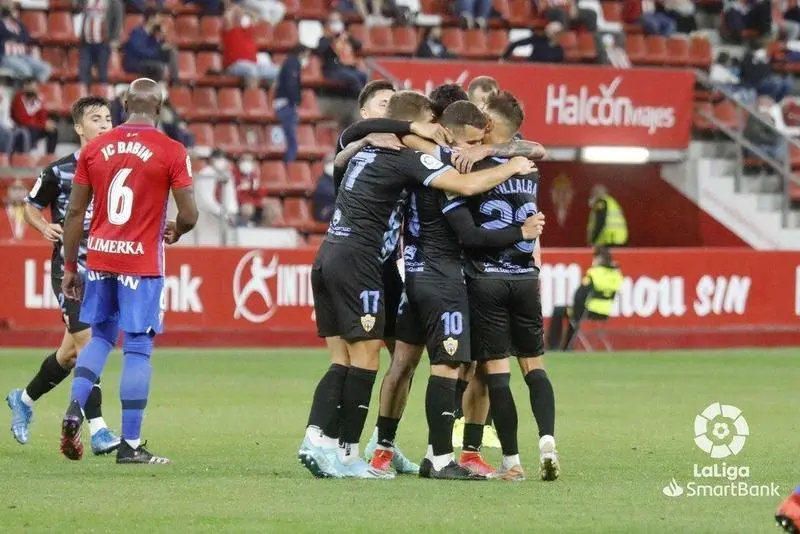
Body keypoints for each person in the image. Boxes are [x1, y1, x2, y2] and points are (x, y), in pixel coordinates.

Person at [299, 90, 536, 479]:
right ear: (417, 125)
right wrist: (511, 167)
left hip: (338, 254)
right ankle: (351, 453)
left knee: (351, 359)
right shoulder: (407, 158)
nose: (439, 134)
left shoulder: (361, 148)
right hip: (367, 262)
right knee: (373, 358)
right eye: (432, 125)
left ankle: (326, 441)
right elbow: (464, 187)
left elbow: (352, 140)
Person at [364, 99, 547, 480]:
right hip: (440, 274)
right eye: (473, 138)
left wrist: (492, 150)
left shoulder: (440, 150)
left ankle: (453, 451)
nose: (474, 148)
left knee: (461, 363)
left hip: (425, 271)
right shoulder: (436, 155)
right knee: (435, 364)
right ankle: (429, 454)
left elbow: (536, 148)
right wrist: (510, 171)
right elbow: (468, 198)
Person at [58, 78, 198, 464]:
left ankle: (74, 410)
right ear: (160, 106)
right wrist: (177, 230)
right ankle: (131, 447)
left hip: (100, 257)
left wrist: (71, 267)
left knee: (100, 338)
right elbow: (189, 214)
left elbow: (73, 213)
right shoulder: (171, 150)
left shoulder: (96, 148)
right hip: (142, 262)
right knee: (137, 347)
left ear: (123, 103)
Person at [442, 91, 559, 482]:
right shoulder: (527, 166)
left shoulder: (472, 166)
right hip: (526, 278)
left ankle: (511, 462)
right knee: (536, 367)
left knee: (496, 374)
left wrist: (475, 155)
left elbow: (469, 230)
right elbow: (531, 149)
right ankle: (547, 441)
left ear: (489, 126)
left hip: (487, 278)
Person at [5, 96, 120, 454]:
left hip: (106, 271)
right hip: (71, 272)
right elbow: (31, 208)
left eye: (108, 118)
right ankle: (99, 430)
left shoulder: (120, 170)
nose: (104, 124)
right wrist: (44, 227)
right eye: (96, 118)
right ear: (79, 127)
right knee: (88, 346)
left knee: (69, 355)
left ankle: (22, 398)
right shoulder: (58, 170)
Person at [546, 247, 623, 351]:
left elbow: (580, 295)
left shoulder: (594, 273)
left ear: (598, 259)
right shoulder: (616, 275)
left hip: (589, 311)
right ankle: (566, 347)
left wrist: (576, 311)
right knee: (574, 313)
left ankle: (554, 346)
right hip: (605, 313)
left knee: (561, 310)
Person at [222, 5, 279, 86]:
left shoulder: (248, 31)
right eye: (236, 16)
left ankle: (271, 96)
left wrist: (245, 11)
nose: (238, 17)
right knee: (251, 71)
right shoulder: (229, 31)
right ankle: (252, 97)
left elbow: (255, 18)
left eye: (240, 16)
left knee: (276, 70)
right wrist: (233, 9)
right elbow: (226, 19)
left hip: (252, 64)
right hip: (234, 65)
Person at [274, 45, 311, 163]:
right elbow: (291, 84)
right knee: (292, 142)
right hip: (286, 105)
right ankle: (288, 167)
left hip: (284, 104)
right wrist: (296, 100)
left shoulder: (289, 63)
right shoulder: (293, 64)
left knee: (291, 141)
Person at [317, 12, 367, 98]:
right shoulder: (325, 38)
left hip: (348, 67)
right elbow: (322, 51)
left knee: (362, 75)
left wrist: (348, 37)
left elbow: (358, 45)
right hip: (333, 69)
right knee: (353, 79)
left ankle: (362, 99)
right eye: (333, 22)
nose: (336, 24)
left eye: (338, 21)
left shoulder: (346, 37)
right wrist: (334, 41)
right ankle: (361, 100)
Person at [0, 0, 52, 82]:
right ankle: (22, 92)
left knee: (45, 68)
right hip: (5, 57)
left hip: (22, 55)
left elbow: (26, 38)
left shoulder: (18, 23)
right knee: (24, 70)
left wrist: (13, 38)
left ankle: (32, 90)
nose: (12, 9)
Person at [122, 11, 178, 82]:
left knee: (171, 51)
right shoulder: (137, 32)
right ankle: (151, 88)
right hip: (135, 62)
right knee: (159, 67)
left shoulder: (154, 34)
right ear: (151, 19)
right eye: (157, 19)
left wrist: (160, 41)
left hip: (148, 60)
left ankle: (174, 82)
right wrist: (158, 50)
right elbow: (139, 52)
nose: (158, 22)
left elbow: (154, 51)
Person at [77, 0, 123, 86]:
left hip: (104, 44)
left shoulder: (114, 2)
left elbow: (118, 20)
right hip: (86, 43)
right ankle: (84, 97)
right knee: (83, 72)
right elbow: (76, 8)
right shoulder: (86, 1)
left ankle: (102, 97)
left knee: (102, 74)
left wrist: (115, 38)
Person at [11, 78, 57, 155]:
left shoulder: (39, 99)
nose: (33, 89)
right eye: (30, 86)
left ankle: (49, 156)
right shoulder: (18, 98)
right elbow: (22, 120)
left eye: (34, 87)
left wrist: (46, 123)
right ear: (24, 87)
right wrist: (42, 124)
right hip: (22, 127)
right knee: (30, 131)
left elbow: (43, 116)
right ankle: (24, 156)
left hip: (36, 127)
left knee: (52, 130)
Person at [312, 153, 336, 223]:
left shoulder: (340, 179)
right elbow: (330, 193)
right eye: (331, 162)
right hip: (325, 214)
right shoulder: (322, 181)